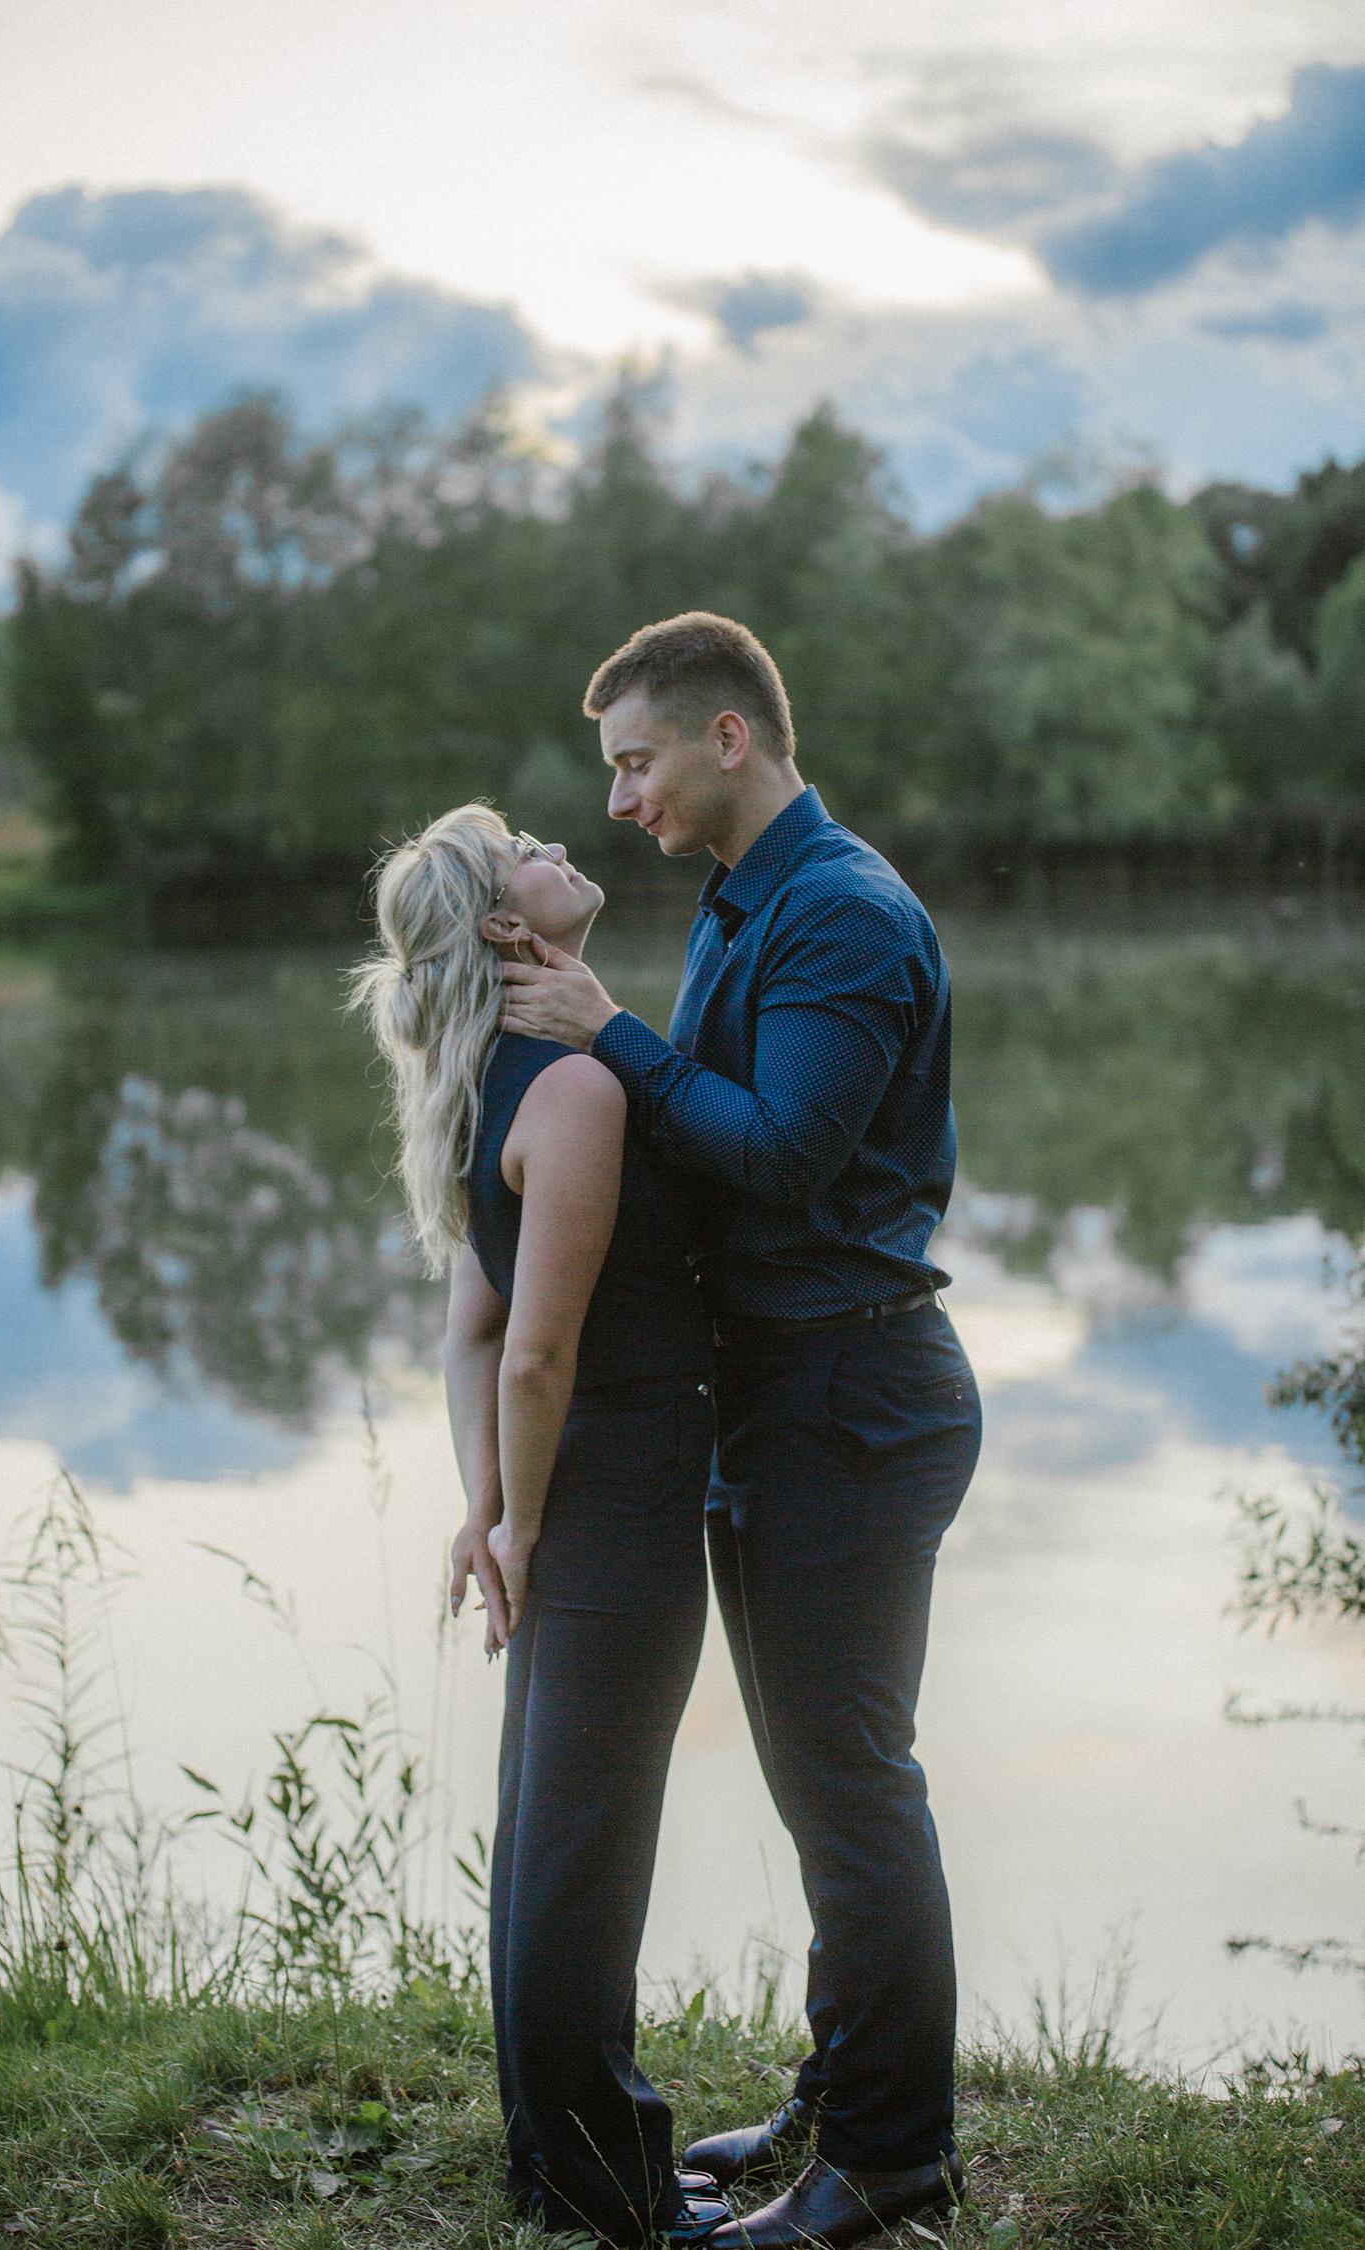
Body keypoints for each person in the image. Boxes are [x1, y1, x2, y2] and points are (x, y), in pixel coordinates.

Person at [500, 614, 983, 2250]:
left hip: (856, 1396)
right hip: (783, 1396)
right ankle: (843, 2095)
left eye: (635, 761)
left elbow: (781, 1154)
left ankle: (891, 2164)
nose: (618, 798)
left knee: (851, 1783)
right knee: (815, 1778)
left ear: (727, 737)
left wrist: (608, 1031)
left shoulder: (840, 910)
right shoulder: (742, 902)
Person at [350, 804, 727, 2248]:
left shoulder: (485, 1080)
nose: (552, 839)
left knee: (551, 1825)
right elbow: (529, 1354)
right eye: (517, 842)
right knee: (588, 1837)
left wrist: (493, 1505)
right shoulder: (572, 1089)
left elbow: (473, 1331)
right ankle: (604, 2186)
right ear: (508, 927)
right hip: (618, 1480)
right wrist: (515, 1521)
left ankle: (557, 2160)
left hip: (575, 1484)